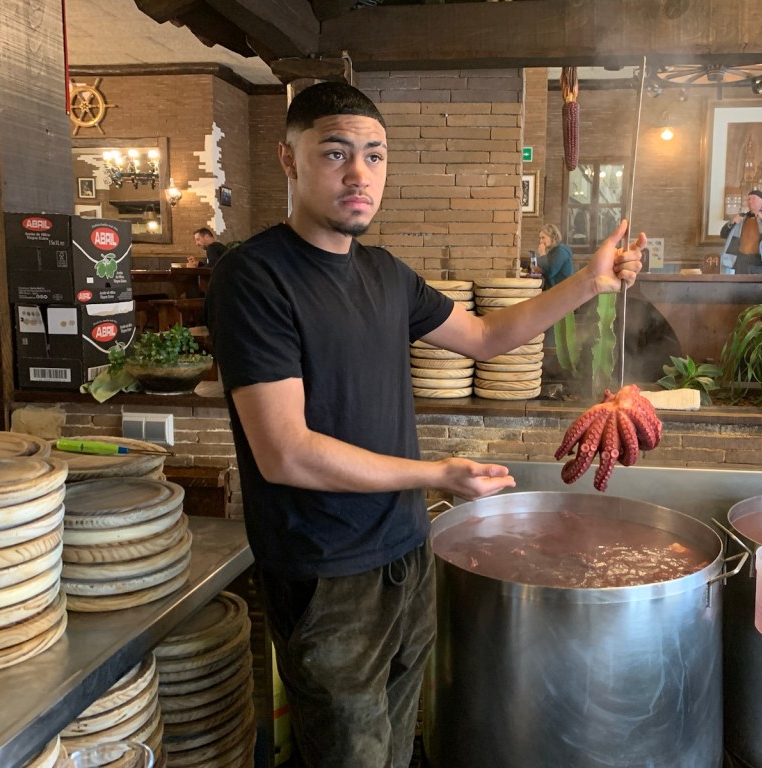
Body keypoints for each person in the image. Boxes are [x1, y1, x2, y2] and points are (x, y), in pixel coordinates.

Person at [204, 81, 644, 768]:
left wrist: (588, 283)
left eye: (375, 156)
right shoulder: (254, 277)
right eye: (335, 153)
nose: (359, 174)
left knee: (398, 748)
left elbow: (487, 337)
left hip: (406, 553)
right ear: (289, 159)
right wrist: (437, 474)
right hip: (326, 572)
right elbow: (285, 452)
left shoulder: (385, 274)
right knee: (350, 756)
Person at [719, 189, 762, 274]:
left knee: (761, 283)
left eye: (754, 199)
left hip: (761, 262)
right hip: (741, 262)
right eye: (749, 199)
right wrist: (731, 223)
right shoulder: (741, 217)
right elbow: (723, 234)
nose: (750, 201)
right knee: (740, 283)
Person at [537, 223, 574, 288]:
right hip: (556, 289)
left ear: (552, 237)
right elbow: (547, 269)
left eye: (543, 238)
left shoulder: (560, 251)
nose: (540, 241)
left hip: (562, 290)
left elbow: (550, 272)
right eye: (540, 238)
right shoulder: (553, 251)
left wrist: (542, 254)